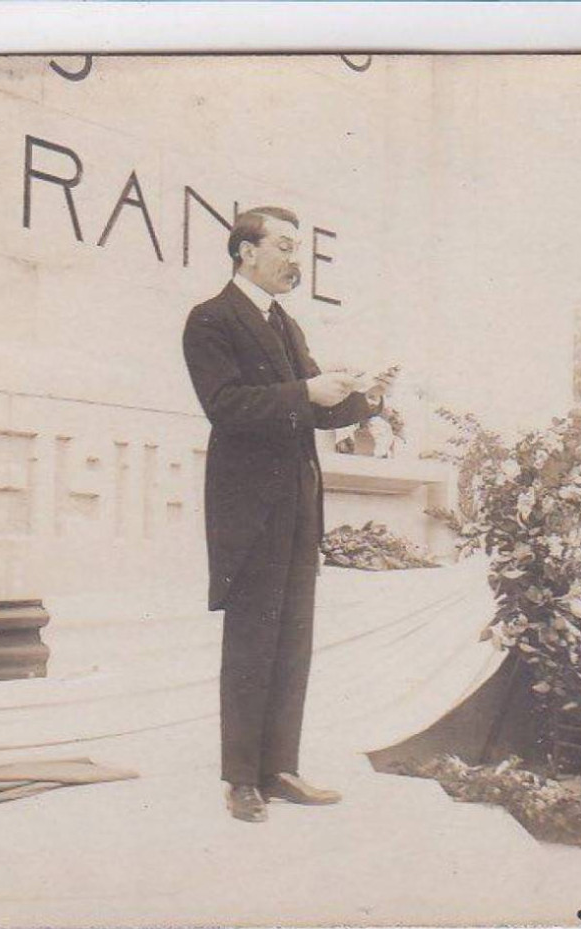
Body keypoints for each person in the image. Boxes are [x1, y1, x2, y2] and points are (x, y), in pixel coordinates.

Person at [183, 206, 395, 822]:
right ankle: (241, 780)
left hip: (298, 506)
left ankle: (279, 770)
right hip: (249, 509)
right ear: (245, 251)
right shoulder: (211, 319)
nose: (293, 259)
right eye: (282, 245)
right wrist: (307, 391)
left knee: (292, 639)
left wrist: (364, 397)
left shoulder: (285, 324)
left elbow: (319, 412)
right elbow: (224, 406)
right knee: (252, 640)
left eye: (297, 247)